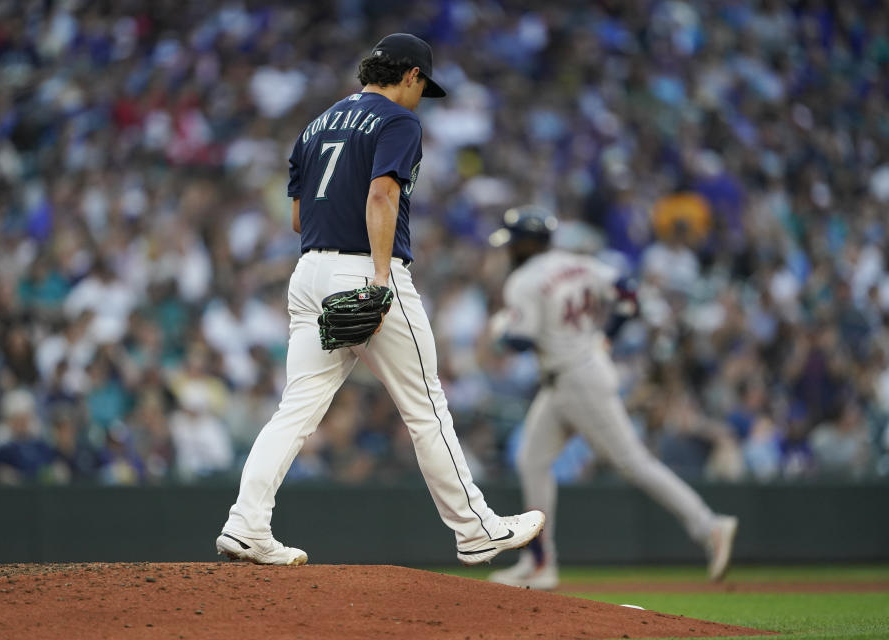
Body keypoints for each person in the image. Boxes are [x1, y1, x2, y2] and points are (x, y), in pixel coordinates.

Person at [215, 34, 544, 566]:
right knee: (427, 407)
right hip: (364, 267)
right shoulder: (398, 120)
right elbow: (382, 193)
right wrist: (380, 277)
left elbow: (299, 217)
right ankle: (476, 528)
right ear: (410, 74)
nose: (421, 99)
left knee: (294, 410)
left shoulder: (315, 124)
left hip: (309, 271)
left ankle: (245, 524)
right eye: (422, 87)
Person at [485, 205, 738, 589]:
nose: (510, 250)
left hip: (576, 378)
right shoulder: (582, 264)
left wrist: (501, 331)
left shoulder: (524, 281)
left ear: (527, 244)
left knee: (633, 462)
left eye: (514, 243)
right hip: (574, 373)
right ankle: (540, 561)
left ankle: (708, 526)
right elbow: (629, 296)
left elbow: (520, 341)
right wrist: (608, 334)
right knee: (532, 461)